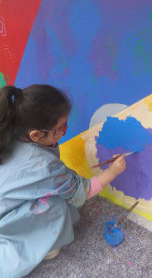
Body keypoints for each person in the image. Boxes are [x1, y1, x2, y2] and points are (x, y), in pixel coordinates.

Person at [0, 84, 126, 278]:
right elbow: (81, 193)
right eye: (61, 129)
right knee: (56, 206)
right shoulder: (45, 166)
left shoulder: (10, 132)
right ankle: (38, 244)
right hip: (4, 222)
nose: (64, 133)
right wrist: (112, 171)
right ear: (36, 135)